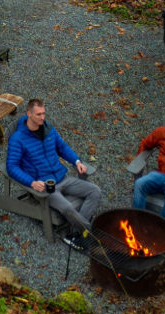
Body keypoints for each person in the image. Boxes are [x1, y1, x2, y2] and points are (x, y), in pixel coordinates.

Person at [6, 98, 103, 250]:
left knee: (95, 191)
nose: (42, 117)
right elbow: (11, 167)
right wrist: (31, 182)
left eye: (43, 113)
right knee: (68, 208)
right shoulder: (18, 139)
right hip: (46, 187)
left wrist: (77, 162)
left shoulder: (48, 129)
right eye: (38, 114)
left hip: (62, 178)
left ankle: (77, 235)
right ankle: (92, 235)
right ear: (29, 114)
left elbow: (63, 148)